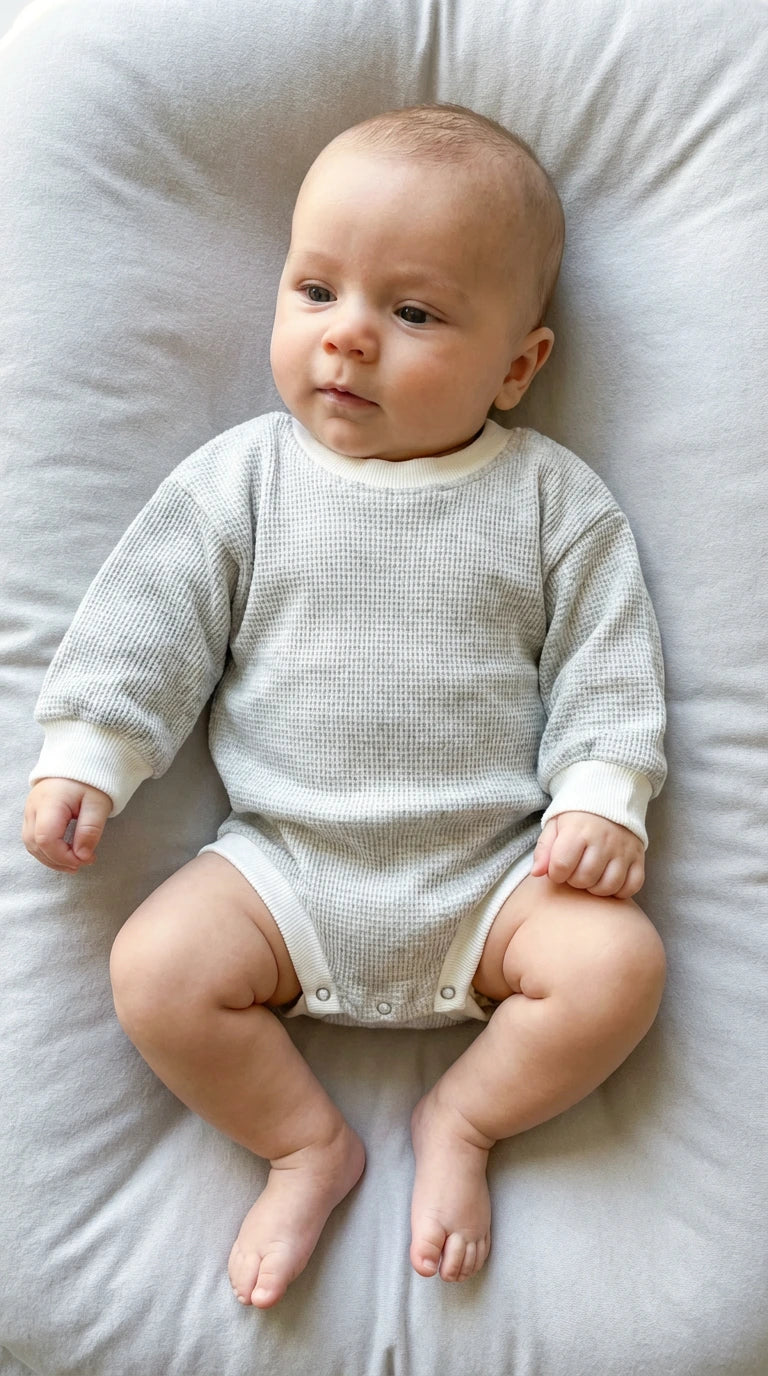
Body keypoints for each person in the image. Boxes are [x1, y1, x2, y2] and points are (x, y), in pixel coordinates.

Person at [23, 103, 667, 1310]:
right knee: (155, 968)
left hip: (496, 883)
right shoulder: (245, 478)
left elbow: (608, 661)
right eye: (316, 292)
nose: (349, 340)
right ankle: (305, 1143)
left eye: (412, 312)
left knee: (619, 968)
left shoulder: (550, 501)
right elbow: (148, 623)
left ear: (519, 366)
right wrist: (91, 753)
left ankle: (464, 1117)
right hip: (283, 871)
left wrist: (603, 796)